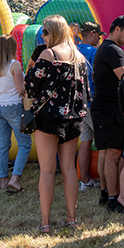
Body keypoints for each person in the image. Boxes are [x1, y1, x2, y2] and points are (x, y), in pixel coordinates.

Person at [25, 15, 89, 232]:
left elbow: (31, 87)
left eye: (44, 32)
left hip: (48, 118)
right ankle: (71, 219)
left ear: (52, 32)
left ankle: (45, 223)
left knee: (47, 170)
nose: (42, 36)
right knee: (70, 168)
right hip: (73, 118)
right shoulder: (79, 57)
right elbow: (86, 92)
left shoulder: (48, 54)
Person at [91, 15, 124, 214]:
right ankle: (113, 199)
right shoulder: (113, 50)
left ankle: (105, 194)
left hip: (102, 108)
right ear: (116, 29)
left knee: (105, 153)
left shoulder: (104, 48)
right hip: (110, 109)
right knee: (112, 155)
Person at [0, 34, 31, 193]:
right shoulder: (15, 66)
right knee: (24, 144)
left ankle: (3, 179)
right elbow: (20, 89)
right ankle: (15, 178)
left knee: (3, 144)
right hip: (14, 106)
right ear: (12, 48)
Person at [76, 21, 104, 193]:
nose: (99, 39)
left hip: (76, 103)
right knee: (103, 143)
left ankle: (85, 181)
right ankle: (107, 182)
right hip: (91, 101)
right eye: (99, 35)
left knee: (85, 141)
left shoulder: (73, 50)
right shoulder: (93, 52)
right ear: (92, 34)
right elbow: (95, 76)